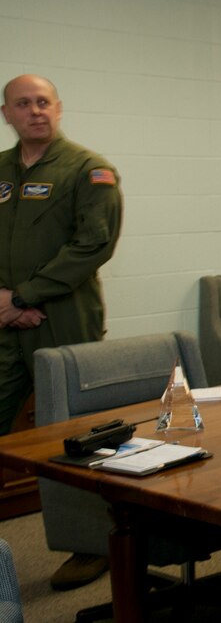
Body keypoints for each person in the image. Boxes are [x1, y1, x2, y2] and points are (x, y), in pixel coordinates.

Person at [0, 74, 123, 590]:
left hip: (64, 319)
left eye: (43, 102)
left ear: (59, 108)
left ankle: (91, 545)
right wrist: (6, 304)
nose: (35, 111)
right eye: (23, 104)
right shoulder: (1, 171)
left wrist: (25, 296)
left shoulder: (88, 169)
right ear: (7, 113)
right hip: (4, 320)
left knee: (73, 438)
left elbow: (92, 245)